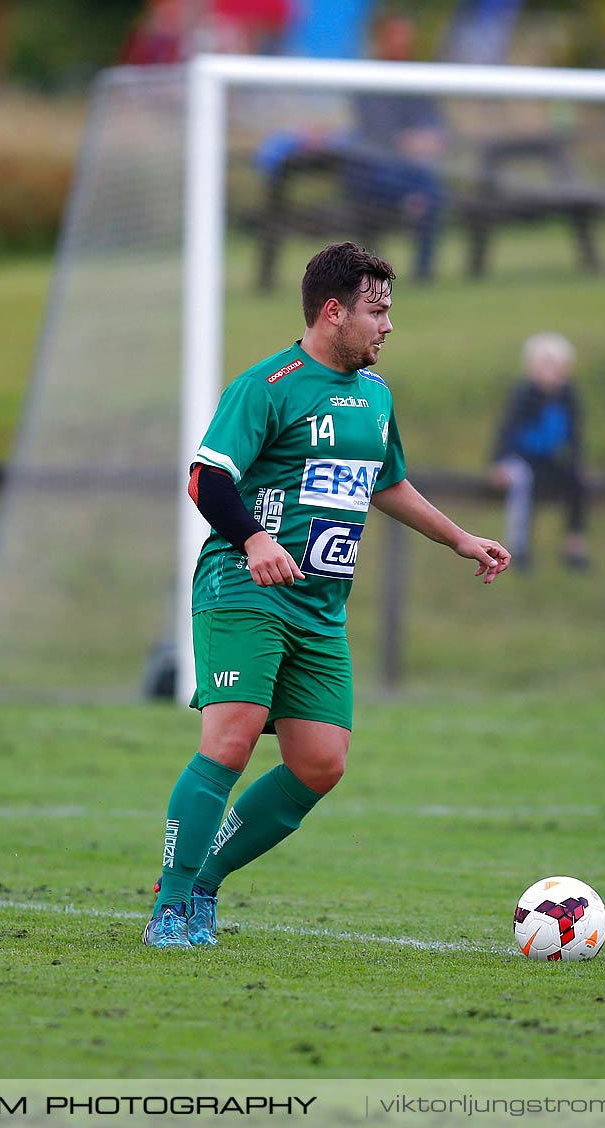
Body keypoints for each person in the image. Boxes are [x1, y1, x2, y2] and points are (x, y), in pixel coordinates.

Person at [144, 242, 511, 948]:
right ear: (333, 311)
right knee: (232, 739)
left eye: (390, 312)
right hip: (244, 587)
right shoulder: (269, 384)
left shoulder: (376, 398)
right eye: (376, 311)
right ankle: (171, 906)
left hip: (320, 606)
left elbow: (387, 483)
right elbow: (208, 478)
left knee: (321, 763)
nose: (388, 326)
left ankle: (202, 885)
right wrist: (255, 540)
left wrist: (460, 538)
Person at [350, 17, 448, 280]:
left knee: (430, 190)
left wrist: (434, 137)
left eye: (406, 35)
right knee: (418, 185)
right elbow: (378, 132)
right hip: (375, 170)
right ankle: (375, 273)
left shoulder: (416, 77)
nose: (402, 42)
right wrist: (406, 141)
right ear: (381, 38)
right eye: (396, 35)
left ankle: (423, 274)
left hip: (416, 168)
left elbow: (435, 123)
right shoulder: (367, 80)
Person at [490, 332, 588, 571]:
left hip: (551, 458)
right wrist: (499, 462)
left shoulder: (568, 394)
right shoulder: (524, 393)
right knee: (523, 482)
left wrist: (575, 460)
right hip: (522, 457)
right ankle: (519, 548)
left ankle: (574, 545)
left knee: (577, 480)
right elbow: (506, 430)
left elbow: (575, 435)